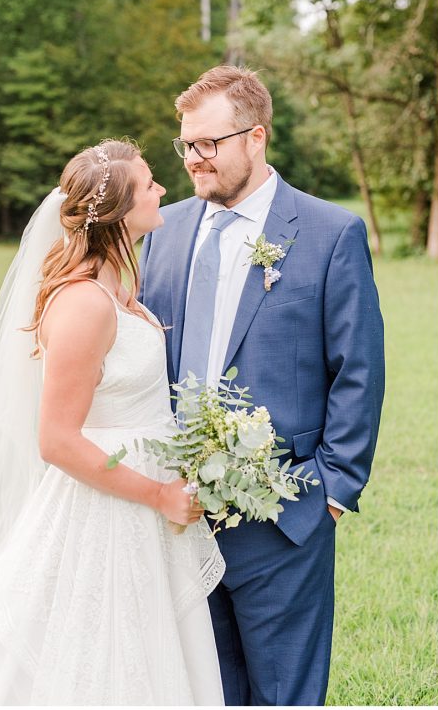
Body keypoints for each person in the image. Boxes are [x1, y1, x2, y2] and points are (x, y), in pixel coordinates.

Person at [0, 140, 225, 704]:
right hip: (107, 510)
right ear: (116, 212)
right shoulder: (84, 304)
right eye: (148, 184)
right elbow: (58, 441)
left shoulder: (119, 288)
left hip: (141, 511)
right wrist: (161, 494)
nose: (162, 188)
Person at [139, 65, 385, 706]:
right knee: (201, 688)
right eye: (187, 144)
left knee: (284, 692)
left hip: (284, 511)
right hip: (176, 512)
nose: (195, 159)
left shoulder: (331, 234)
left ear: (257, 137)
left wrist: (332, 489)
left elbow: (358, 369)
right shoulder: (162, 234)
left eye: (210, 144)